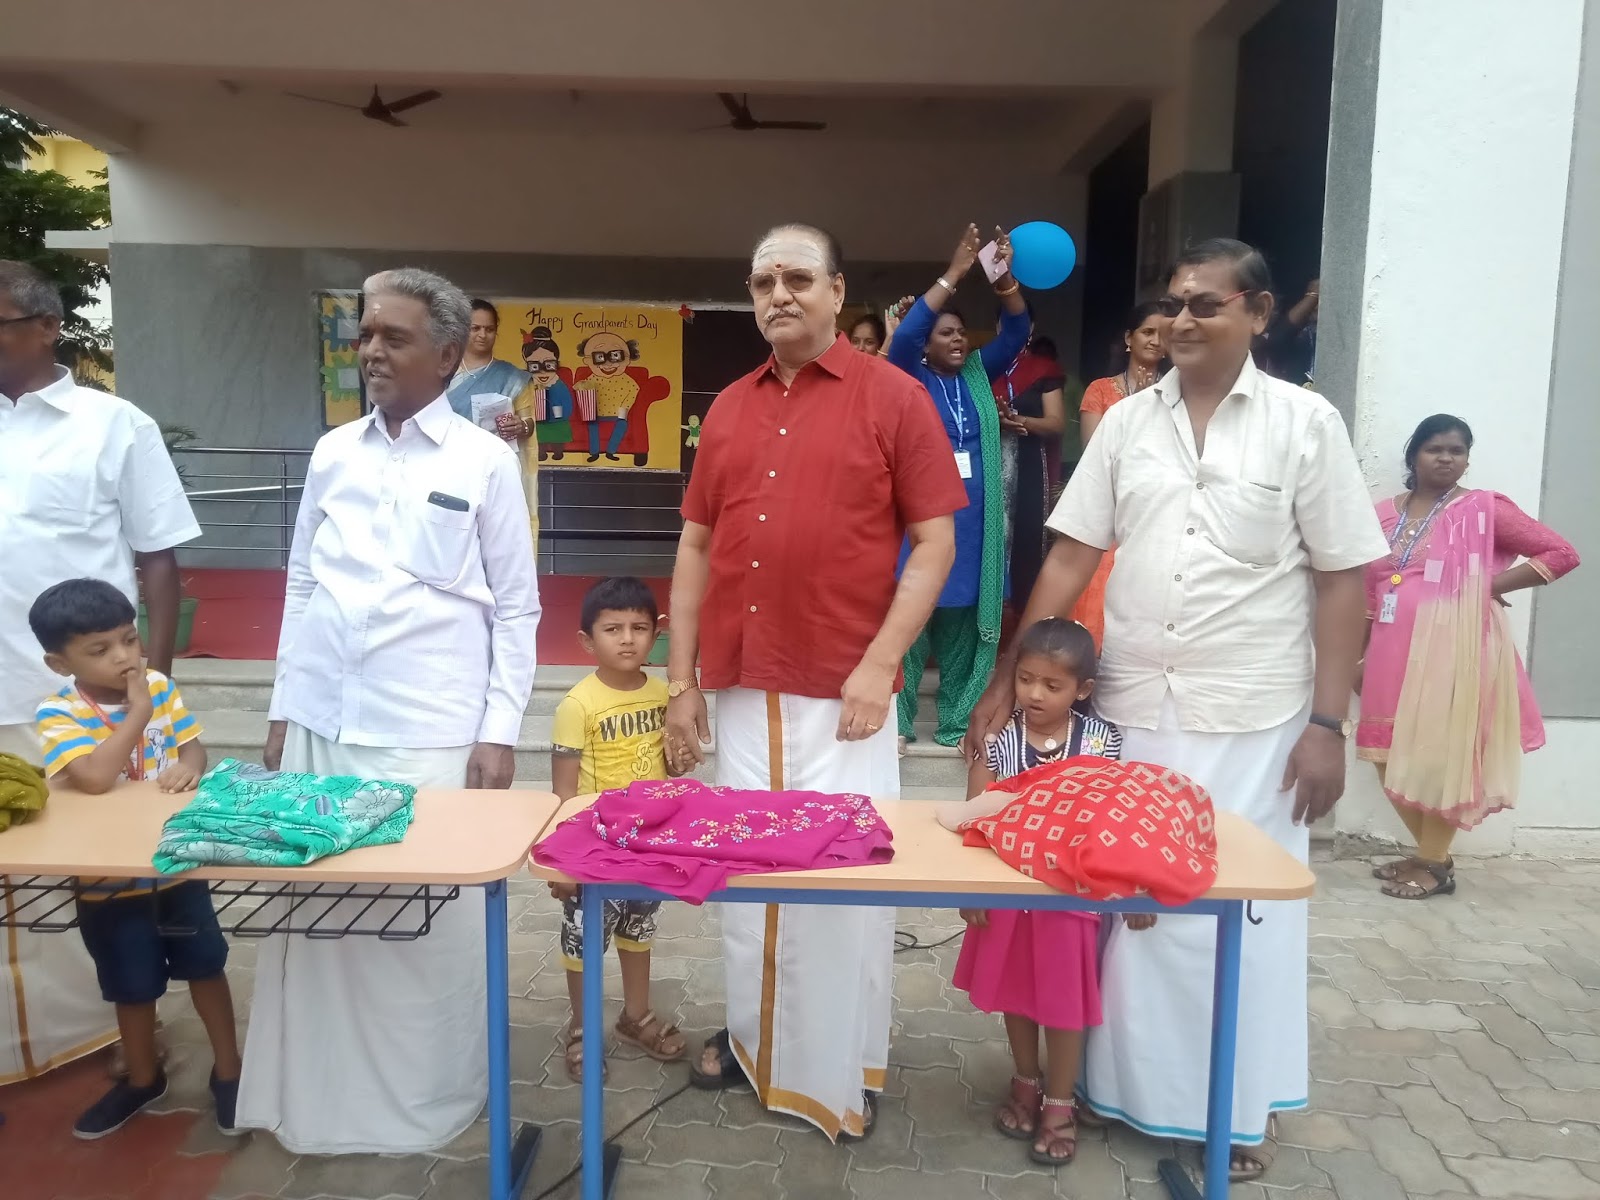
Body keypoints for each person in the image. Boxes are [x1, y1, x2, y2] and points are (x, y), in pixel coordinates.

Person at [966, 238, 1387, 1182]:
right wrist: (1006, 676)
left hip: (1255, 722)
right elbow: (1072, 553)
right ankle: (1110, 1087)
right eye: (1175, 302)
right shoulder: (1125, 423)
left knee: (1234, 918)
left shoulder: (1305, 423)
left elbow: (1341, 579)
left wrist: (1328, 726)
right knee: (1124, 910)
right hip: (1133, 714)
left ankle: (1231, 1109)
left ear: (1259, 313)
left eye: (1206, 303)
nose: (1183, 319)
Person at [665, 222, 964, 1141]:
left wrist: (881, 664)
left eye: (798, 278)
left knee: (838, 886)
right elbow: (696, 545)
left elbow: (936, 542)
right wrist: (680, 682)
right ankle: (755, 1042)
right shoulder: (728, 408)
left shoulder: (894, 397)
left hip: (846, 695)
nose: (779, 295)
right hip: (740, 688)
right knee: (746, 874)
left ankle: (837, 1068)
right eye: (763, 282)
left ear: (837, 292)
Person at [240, 267, 541, 1154]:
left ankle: (428, 1102)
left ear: (446, 356)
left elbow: (517, 608)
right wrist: (284, 704)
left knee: (426, 930)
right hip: (324, 724)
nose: (371, 350)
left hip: (429, 733)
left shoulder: (485, 461)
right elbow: (302, 581)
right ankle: (319, 1104)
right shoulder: (333, 452)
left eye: (393, 337)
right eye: (366, 334)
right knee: (321, 916)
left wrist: (498, 731)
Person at [0, 259, 200, 1088]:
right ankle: (17, 1045)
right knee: (13, 886)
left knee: (98, 885)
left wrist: (151, 687)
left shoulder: (114, 425)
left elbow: (158, 560)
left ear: (48, 327)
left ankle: (113, 1036)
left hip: (87, 703)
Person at [25, 578, 241, 1138]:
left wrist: (190, 766)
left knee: (205, 965)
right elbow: (95, 779)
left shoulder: (159, 686)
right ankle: (144, 1078)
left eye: (129, 638)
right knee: (131, 982)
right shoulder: (59, 712)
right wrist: (138, 713)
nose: (123, 657)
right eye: (100, 650)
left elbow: (192, 746)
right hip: (107, 877)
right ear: (59, 663)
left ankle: (230, 1071)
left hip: (175, 864)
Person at [1359, 415, 1579, 899]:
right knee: (1383, 752)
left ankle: (1432, 863)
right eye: (1434, 449)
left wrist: (1487, 586)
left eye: (1456, 451)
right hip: (1390, 649)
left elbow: (1560, 553)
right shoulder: (1381, 514)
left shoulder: (1482, 509)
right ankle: (1432, 856)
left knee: (1442, 756)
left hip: (1455, 649)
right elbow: (1371, 589)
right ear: (1413, 455)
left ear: (1466, 459)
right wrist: (1359, 655)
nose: (1446, 458)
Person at [944, 618, 1129, 1167]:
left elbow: (1109, 820)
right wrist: (975, 890)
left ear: (1083, 689)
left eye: (1052, 685)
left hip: (1070, 899)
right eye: (1025, 679)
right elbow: (975, 820)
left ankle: (1059, 1100)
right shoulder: (999, 741)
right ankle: (1025, 1079)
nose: (1034, 694)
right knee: (1016, 992)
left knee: (1064, 999)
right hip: (1008, 895)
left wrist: (1129, 888)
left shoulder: (1101, 741)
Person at [888, 224, 1031, 749]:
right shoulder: (910, 377)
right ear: (926, 345)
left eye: (961, 332)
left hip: (974, 526)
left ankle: (955, 725)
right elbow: (905, 336)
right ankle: (897, 724)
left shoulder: (975, 375)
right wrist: (954, 272)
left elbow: (1016, 333)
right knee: (909, 625)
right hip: (921, 525)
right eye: (944, 333)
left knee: (962, 629)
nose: (956, 339)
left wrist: (1001, 276)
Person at [549, 577, 686, 1081]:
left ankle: (636, 1016)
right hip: (594, 848)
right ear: (587, 641)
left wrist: (680, 763)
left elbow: (669, 768)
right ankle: (583, 1027)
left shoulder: (663, 695)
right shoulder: (577, 704)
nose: (627, 639)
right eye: (612, 629)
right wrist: (562, 861)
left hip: (647, 846)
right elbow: (563, 792)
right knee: (584, 941)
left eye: (639, 628)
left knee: (638, 931)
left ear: (656, 635)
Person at [1071, 301, 1166, 646]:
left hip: (1156, 509)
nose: (1156, 340)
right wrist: (1135, 407)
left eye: (1163, 334)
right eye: (1147, 332)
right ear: (1129, 338)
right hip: (1108, 508)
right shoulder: (1099, 390)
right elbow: (1095, 455)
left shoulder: (1180, 394)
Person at [994, 330, 1067, 605]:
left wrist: (1018, 419)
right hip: (992, 464)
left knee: (1028, 538)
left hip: (1031, 465)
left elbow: (1056, 424)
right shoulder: (986, 368)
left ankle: (1026, 614)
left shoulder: (1043, 370)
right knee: (994, 539)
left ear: (1031, 327)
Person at [447, 299, 530, 426]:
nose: (483, 335)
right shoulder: (443, 372)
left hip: (494, 440)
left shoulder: (512, 377)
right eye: (475, 328)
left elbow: (527, 420)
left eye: (489, 329)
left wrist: (522, 427)